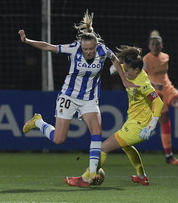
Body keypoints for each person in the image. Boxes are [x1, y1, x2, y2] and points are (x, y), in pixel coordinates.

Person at [18, 10, 138, 184]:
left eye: (91, 49)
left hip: (89, 99)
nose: (88, 52)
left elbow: (114, 60)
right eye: (85, 49)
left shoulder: (103, 50)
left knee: (97, 131)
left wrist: (125, 81)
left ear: (96, 46)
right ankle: (38, 122)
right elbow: (48, 46)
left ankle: (91, 173)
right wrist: (27, 41)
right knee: (59, 139)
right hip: (69, 96)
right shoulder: (74, 49)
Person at [65, 45, 164, 187]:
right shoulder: (131, 70)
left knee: (103, 148)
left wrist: (151, 126)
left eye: (128, 71)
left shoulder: (144, 84)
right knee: (126, 147)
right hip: (133, 121)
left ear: (136, 70)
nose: (125, 73)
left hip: (140, 126)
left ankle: (86, 178)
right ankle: (142, 176)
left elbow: (159, 103)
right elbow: (119, 66)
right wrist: (116, 69)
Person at [143, 30, 178, 165]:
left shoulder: (166, 57)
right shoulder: (146, 60)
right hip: (156, 94)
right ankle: (169, 156)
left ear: (161, 45)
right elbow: (142, 78)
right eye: (152, 44)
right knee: (165, 123)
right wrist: (154, 84)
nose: (155, 46)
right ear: (149, 46)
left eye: (157, 44)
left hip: (168, 89)